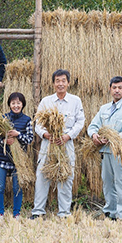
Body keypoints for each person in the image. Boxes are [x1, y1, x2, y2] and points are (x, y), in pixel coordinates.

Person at [30, 69, 85, 219]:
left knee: (66, 176)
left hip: (66, 144)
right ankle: (38, 212)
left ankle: (64, 213)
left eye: (63, 81)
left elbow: (80, 122)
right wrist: (46, 134)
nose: (60, 84)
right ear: (53, 83)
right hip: (48, 144)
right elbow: (38, 124)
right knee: (42, 175)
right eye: (57, 81)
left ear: (68, 83)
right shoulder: (46, 101)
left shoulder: (75, 101)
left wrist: (68, 136)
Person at [87, 76, 122, 221]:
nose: (117, 90)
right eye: (114, 88)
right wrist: (94, 135)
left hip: (121, 152)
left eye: (120, 88)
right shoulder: (104, 109)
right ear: (110, 89)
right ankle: (111, 212)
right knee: (108, 182)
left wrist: (111, 139)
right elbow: (93, 125)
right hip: (105, 152)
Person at [0, 92, 33, 220]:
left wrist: (17, 134)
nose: (16, 105)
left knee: (17, 187)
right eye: (13, 103)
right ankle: (0, 213)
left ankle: (16, 213)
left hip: (18, 161)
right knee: (0, 187)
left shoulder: (27, 120)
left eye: (18, 103)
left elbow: (29, 139)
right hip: (1, 158)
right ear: (9, 104)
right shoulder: (2, 119)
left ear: (23, 104)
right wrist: (4, 141)